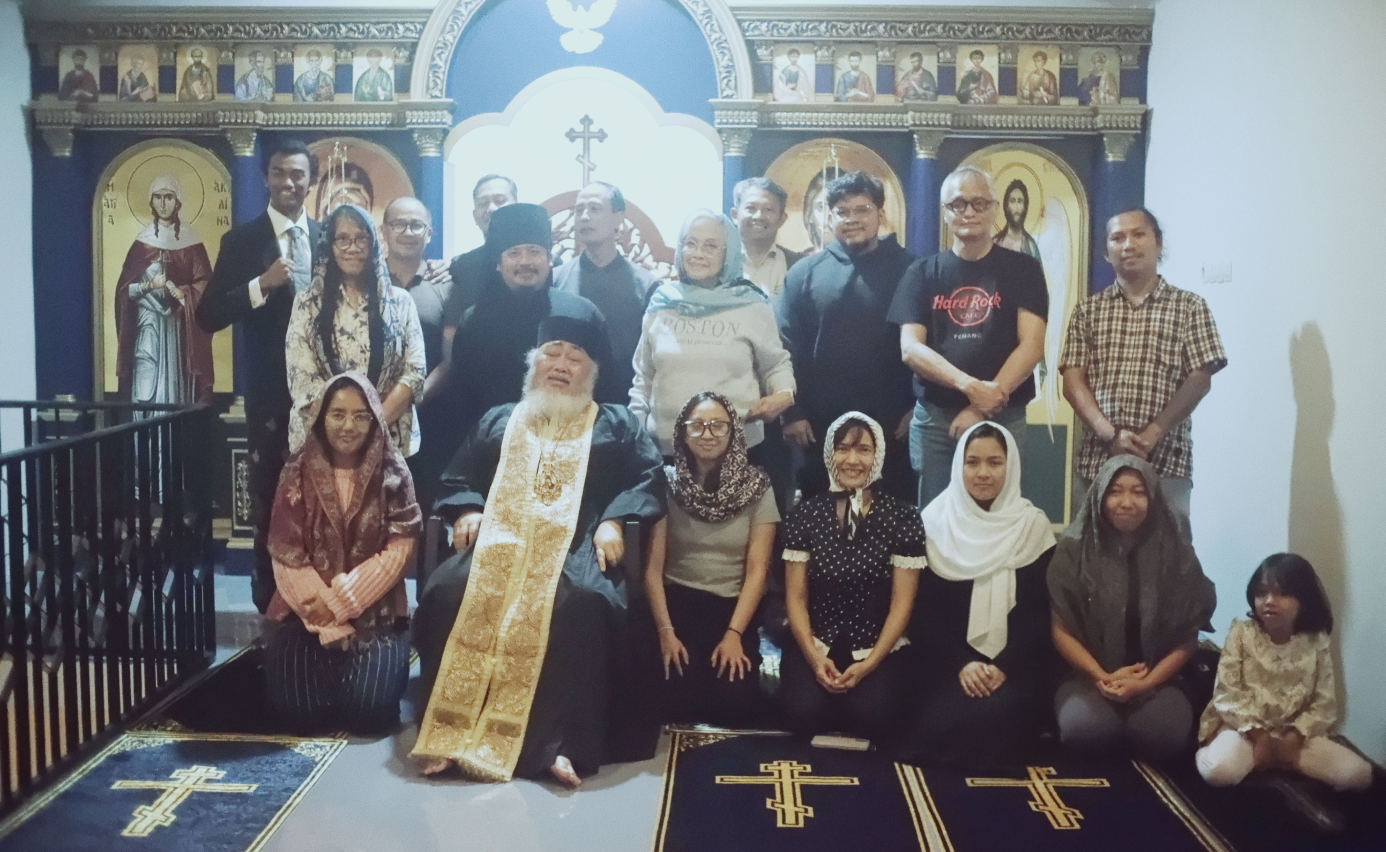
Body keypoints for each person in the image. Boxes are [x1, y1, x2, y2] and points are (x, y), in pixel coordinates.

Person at [412, 316, 665, 787]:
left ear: (591, 372)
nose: (561, 365)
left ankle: (558, 744)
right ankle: (450, 734)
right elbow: (458, 474)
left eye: (575, 357)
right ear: (533, 363)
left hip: (576, 546)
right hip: (497, 541)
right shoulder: (500, 418)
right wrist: (467, 508)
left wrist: (613, 520)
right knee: (449, 592)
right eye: (552, 352)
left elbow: (648, 477)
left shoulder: (615, 422)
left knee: (582, 603)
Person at [198, 141, 320, 613]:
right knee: (270, 497)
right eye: (279, 173)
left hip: (325, 395)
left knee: (323, 497)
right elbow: (208, 315)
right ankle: (270, 605)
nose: (289, 182)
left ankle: (319, 601)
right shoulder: (242, 241)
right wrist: (260, 285)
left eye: (298, 174)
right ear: (266, 178)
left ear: (311, 180)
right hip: (270, 395)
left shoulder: (329, 236)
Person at [264, 372, 420, 735]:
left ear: (374, 419)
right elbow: (286, 553)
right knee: (299, 713)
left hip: (375, 611)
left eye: (360, 416)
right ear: (321, 417)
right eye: (337, 414)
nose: (348, 426)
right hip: (306, 611)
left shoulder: (393, 472)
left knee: (370, 712)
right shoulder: (296, 471)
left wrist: (341, 602)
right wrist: (329, 622)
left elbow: (400, 551)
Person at [1061, 208, 1226, 541]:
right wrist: (1110, 435)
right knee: (1090, 555)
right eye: (1117, 238)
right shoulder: (1087, 311)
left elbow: (1200, 378)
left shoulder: (1190, 307)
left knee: (1169, 558)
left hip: (1165, 462)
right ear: (1106, 252)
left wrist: (1154, 431)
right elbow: (1072, 381)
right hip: (1098, 459)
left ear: (1158, 243)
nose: (1128, 245)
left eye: (1139, 234)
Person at [890, 166, 1048, 508]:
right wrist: (970, 388)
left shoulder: (1024, 269)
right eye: (958, 204)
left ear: (994, 208)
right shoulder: (921, 273)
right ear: (945, 212)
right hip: (936, 418)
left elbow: (1032, 345)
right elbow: (911, 349)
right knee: (934, 516)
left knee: (999, 513)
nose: (969, 212)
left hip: (1004, 413)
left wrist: (981, 406)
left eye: (979, 203)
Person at [902, 422, 1056, 770]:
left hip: (1013, 666)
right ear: (958, 466)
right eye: (972, 462)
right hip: (948, 663)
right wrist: (963, 664)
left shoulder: (1033, 527)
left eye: (994, 462)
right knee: (937, 721)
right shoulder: (934, 523)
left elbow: (1039, 615)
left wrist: (1003, 667)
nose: (983, 473)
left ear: (1011, 466)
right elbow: (923, 613)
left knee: (1000, 714)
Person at [1048, 455, 1216, 762]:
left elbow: (1187, 636)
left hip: (1159, 678)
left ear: (1153, 497)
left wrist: (1147, 683)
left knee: (1161, 736)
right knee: (1085, 732)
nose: (1127, 502)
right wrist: (1101, 675)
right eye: (1115, 491)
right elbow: (1061, 630)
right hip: (1087, 678)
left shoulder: (1176, 551)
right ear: (1099, 496)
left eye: (1138, 492)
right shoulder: (1073, 549)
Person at [630, 210, 796, 508]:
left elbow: (776, 364)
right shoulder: (661, 303)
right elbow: (643, 377)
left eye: (710, 246)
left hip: (738, 454)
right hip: (666, 454)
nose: (698, 253)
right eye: (690, 244)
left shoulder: (751, 304)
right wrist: (637, 434)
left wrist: (783, 394)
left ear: (728, 253)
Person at [779, 413, 925, 742]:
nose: (853, 460)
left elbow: (902, 604)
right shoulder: (805, 514)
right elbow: (795, 598)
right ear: (829, 454)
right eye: (843, 449)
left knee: (876, 716)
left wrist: (869, 665)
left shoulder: (903, 517)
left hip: (876, 644)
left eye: (864, 450)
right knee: (802, 713)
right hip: (817, 640)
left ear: (879, 455)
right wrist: (815, 659)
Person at [779, 171, 915, 504]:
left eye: (862, 210)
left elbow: (929, 343)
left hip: (894, 424)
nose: (851, 219)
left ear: (880, 214)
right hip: (819, 426)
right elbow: (785, 347)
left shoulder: (912, 270)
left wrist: (918, 407)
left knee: (890, 514)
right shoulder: (803, 274)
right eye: (842, 211)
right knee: (823, 516)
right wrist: (793, 413)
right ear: (829, 217)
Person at [645, 392, 776, 728]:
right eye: (698, 425)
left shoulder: (758, 486)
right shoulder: (666, 483)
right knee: (673, 702)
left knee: (734, 706)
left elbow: (758, 571)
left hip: (732, 608)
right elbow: (653, 569)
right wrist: (665, 633)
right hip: (677, 606)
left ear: (733, 432)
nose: (708, 434)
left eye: (719, 425)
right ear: (683, 432)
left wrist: (734, 634)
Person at [1196, 553, 1372, 792]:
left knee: (1359, 775)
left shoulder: (1316, 640)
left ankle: (1278, 760)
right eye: (1262, 593)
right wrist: (1260, 737)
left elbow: (1324, 702)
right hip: (1245, 731)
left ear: (1304, 600)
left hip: (1295, 736)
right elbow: (1228, 693)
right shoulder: (1241, 633)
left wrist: (1293, 738)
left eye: (1282, 594)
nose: (1269, 601)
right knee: (1219, 771)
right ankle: (1234, 753)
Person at [449, 202, 612, 440]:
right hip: (493, 447)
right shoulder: (474, 321)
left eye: (534, 251)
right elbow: (461, 401)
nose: (525, 261)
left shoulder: (583, 315)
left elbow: (606, 393)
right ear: (498, 263)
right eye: (513, 253)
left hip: (573, 446)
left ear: (549, 258)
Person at [285, 204, 424, 457]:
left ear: (373, 244)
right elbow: (303, 379)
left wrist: (370, 425)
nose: (353, 247)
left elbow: (414, 372)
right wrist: (347, 428)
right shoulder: (307, 303)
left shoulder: (400, 302)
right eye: (342, 239)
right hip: (323, 444)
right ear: (329, 246)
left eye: (361, 238)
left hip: (388, 440)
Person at [115, 174, 215, 409]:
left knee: (176, 384)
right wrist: (149, 287)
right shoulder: (141, 244)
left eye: (168, 197)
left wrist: (185, 293)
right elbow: (124, 291)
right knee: (146, 380)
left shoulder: (191, 241)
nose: (163, 203)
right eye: (158, 197)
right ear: (151, 201)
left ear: (177, 201)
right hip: (147, 324)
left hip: (179, 328)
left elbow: (206, 285)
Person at [553, 182, 658, 401]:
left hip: (624, 401)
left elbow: (652, 357)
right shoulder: (556, 279)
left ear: (618, 218)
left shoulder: (646, 285)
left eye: (594, 208)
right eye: (579, 210)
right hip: (565, 399)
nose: (584, 216)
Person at [381, 197, 454, 509]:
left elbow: (450, 358)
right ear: (384, 230)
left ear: (429, 233)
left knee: (421, 508)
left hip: (430, 416)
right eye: (399, 224)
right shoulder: (366, 279)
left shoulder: (447, 284)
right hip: (374, 415)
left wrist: (412, 399)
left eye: (416, 225)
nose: (408, 232)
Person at [446, 174, 517, 334]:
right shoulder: (463, 265)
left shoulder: (543, 263)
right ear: (474, 215)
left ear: (516, 206)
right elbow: (452, 325)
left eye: (500, 201)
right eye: (482, 203)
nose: (491, 209)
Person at [729, 177, 804, 301]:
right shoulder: (717, 261)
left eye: (768, 209)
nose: (759, 216)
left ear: (782, 219)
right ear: (735, 215)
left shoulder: (799, 266)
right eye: (751, 208)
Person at [993, 179, 1041, 261]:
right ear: (1007, 206)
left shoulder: (1031, 246)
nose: (1016, 207)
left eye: (1020, 201)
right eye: (1012, 201)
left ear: (1025, 207)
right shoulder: (996, 242)